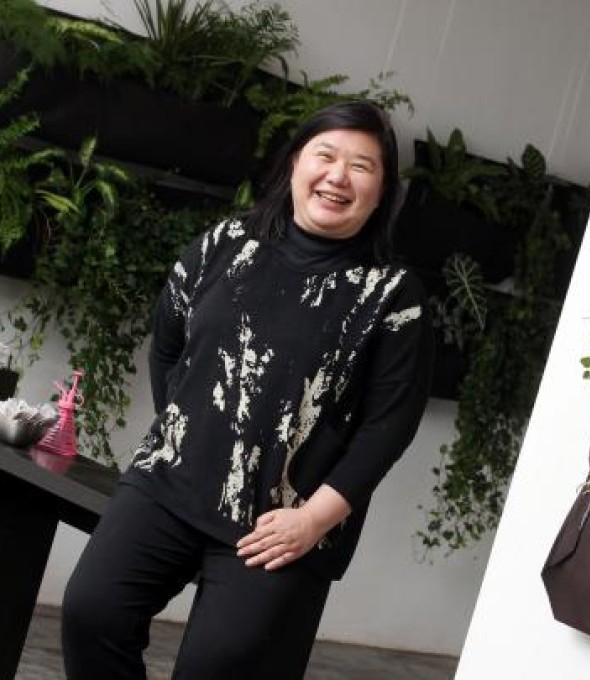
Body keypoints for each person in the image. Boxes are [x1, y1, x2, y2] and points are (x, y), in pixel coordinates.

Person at [61, 101, 434, 679]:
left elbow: (388, 426)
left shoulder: (391, 295)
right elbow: (168, 342)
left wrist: (312, 521)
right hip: (171, 484)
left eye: (361, 166)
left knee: (221, 666)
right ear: (294, 166)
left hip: (284, 522)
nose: (338, 176)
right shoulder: (227, 243)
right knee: (92, 614)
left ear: (382, 193)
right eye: (325, 155)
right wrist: (190, 437)